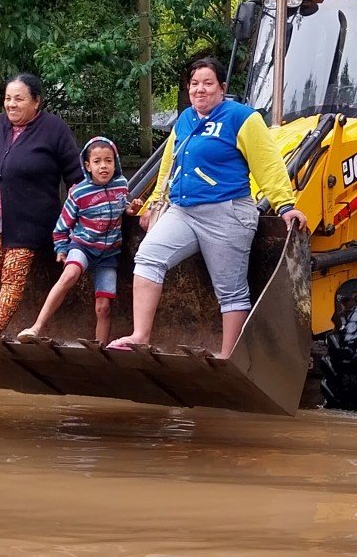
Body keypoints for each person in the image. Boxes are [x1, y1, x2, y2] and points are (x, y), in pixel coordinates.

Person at [110, 56, 305, 359]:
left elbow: (268, 164)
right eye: (194, 84)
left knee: (230, 291)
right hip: (183, 211)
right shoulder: (186, 119)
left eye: (207, 83)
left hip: (227, 213)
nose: (200, 90)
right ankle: (140, 336)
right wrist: (153, 204)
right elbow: (169, 166)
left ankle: (228, 358)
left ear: (222, 88)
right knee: (148, 257)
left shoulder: (242, 118)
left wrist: (285, 205)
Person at [0, 73, 82, 339]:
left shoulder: (54, 128)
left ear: (36, 102)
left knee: (12, 274)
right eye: (8, 99)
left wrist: (75, 213)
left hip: (30, 220)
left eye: (19, 99)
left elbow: (75, 176)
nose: (11, 104)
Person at [18, 136, 131, 345]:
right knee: (69, 275)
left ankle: (100, 349)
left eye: (108, 161)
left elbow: (125, 205)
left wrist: (132, 208)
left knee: (103, 307)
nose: (103, 166)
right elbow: (62, 226)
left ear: (115, 163)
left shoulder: (121, 185)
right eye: (97, 162)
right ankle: (36, 327)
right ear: (87, 166)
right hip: (83, 246)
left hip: (109, 253)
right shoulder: (79, 193)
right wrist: (61, 247)